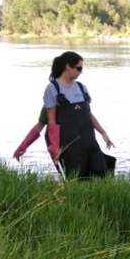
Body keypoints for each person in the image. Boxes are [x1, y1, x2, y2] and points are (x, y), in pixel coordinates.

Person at [43, 51, 114, 179]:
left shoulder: (82, 88)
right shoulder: (52, 89)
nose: (81, 72)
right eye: (79, 68)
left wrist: (103, 132)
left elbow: (88, 114)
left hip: (88, 140)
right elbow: (51, 121)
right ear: (68, 66)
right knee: (76, 178)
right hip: (69, 144)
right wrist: (55, 146)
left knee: (102, 172)